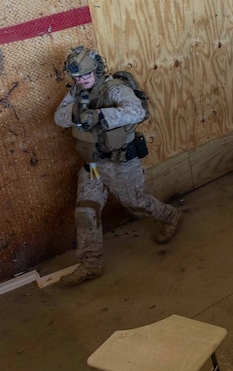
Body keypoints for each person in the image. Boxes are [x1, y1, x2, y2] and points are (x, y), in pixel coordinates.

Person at [53, 46, 182, 286]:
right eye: (77, 78)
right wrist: (77, 111)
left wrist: (98, 115)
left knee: (135, 202)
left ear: (98, 71)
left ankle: (171, 215)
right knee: (86, 211)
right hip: (92, 163)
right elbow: (59, 117)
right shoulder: (77, 91)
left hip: (120, 162)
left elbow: (135, 111)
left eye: (86, 76)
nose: (81, 81)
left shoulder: (115, 89)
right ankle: (90, 264)